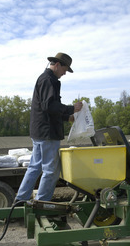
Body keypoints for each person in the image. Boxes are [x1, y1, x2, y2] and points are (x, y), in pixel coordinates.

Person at [14, 52, 83, 203]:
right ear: (57, 64)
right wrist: (72, 109)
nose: (65, 73)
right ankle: (42, 203)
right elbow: (49, 106)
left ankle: (20, 200)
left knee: (35, 167)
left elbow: (49, 108)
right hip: (47, 133)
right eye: (65, 69)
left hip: (40, 131)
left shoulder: (46, 79)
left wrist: (67, 117)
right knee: (51, 171)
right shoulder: (48, 80)